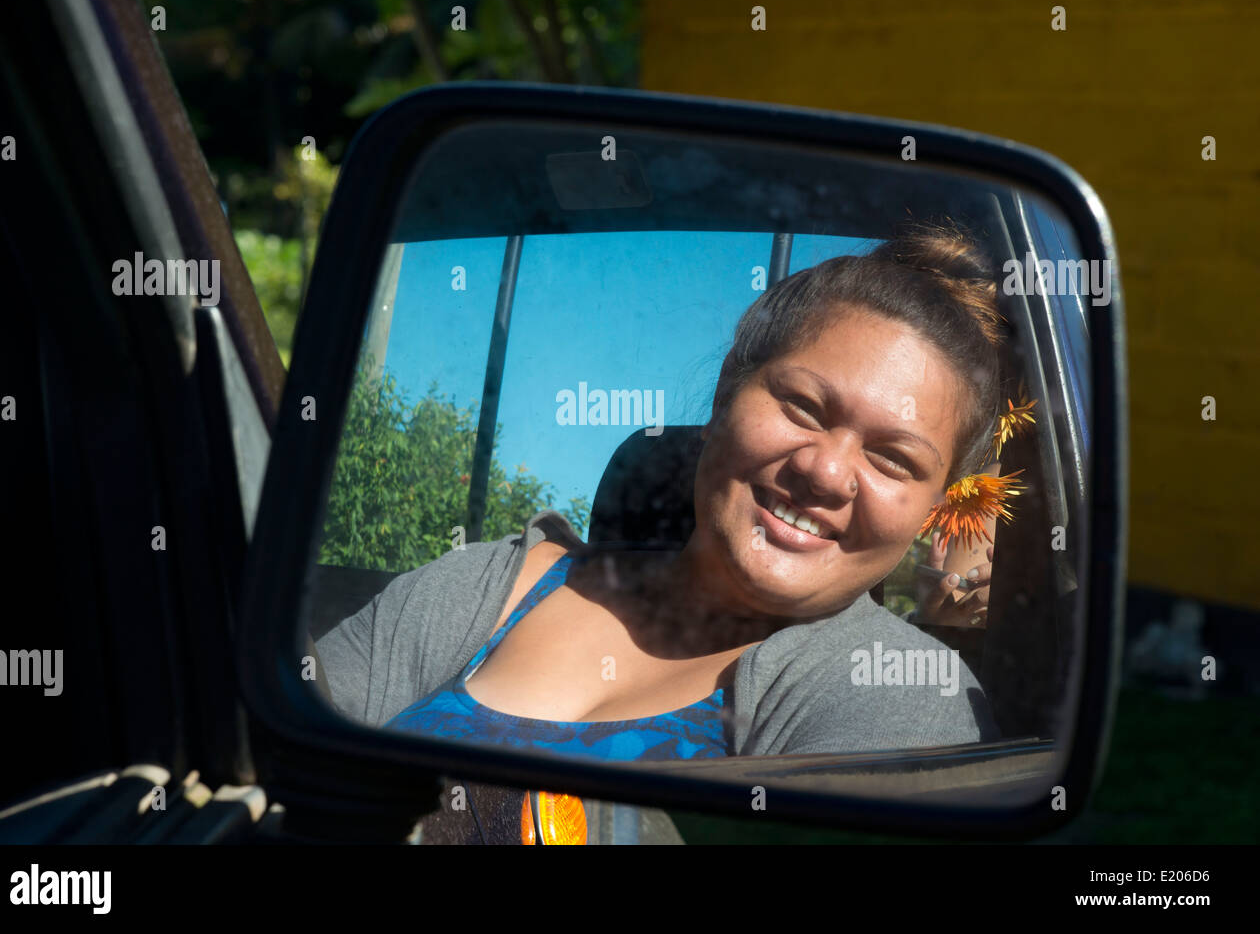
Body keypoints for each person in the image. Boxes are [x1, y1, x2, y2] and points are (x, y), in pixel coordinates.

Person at [317, 222, 1008, 761]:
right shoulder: (484, 586)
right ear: (722, 400)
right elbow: (274, 750)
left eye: (892, 458)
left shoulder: (899, 688)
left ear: (931, 507)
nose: (825, 472)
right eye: (801, 406)